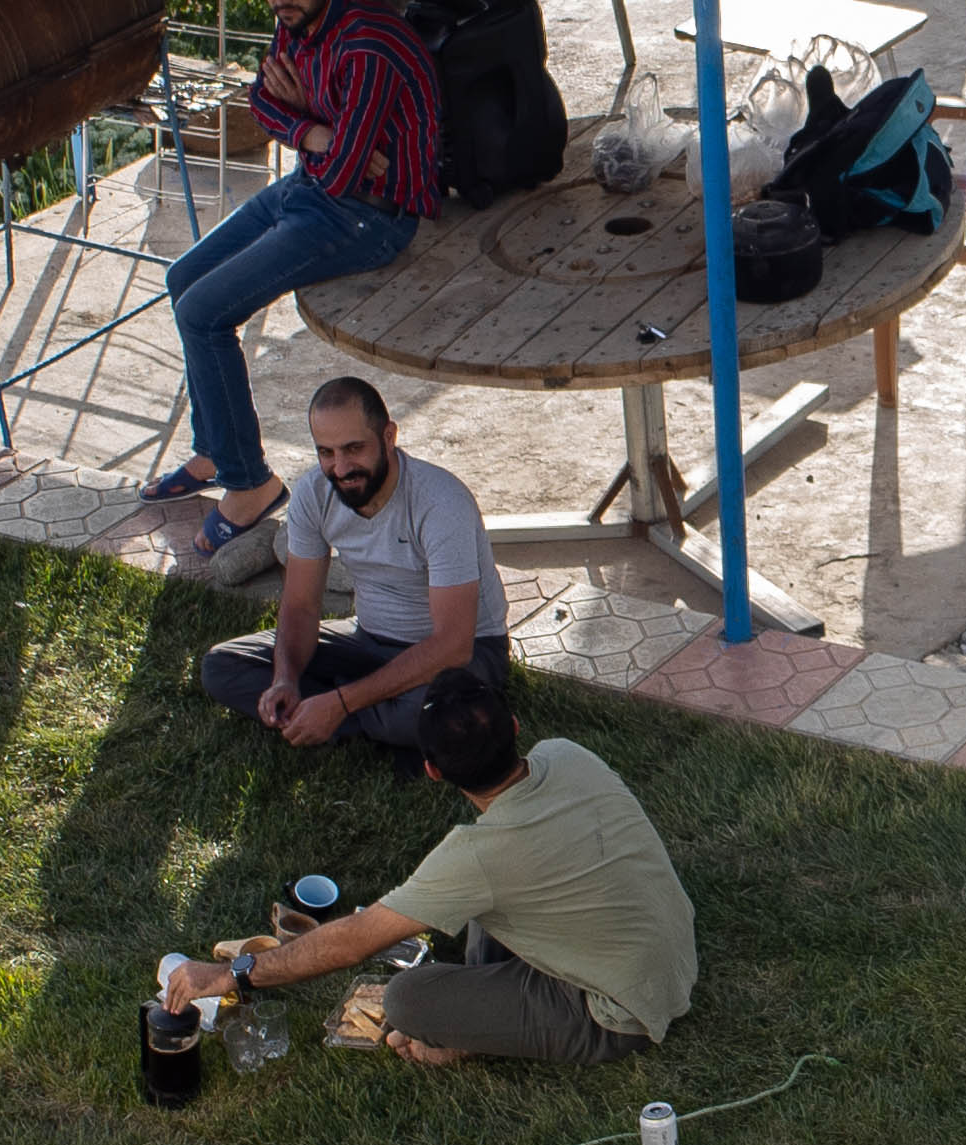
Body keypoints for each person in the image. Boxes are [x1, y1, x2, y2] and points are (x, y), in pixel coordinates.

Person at [146, 0, 439, 551]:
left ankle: (250, 484)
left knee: (204, 313)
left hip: (371, 216)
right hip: (313, 185)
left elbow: (343, 177)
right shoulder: (302, 21)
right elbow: (261, 103)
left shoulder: (368, 46)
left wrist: (309, 115)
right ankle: (213, 450)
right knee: (184, 276)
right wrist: (313, 124)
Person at [197, 687, 695, 1066]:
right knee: (482, 897)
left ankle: (468, 1034)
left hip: (618, 1013)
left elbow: (353, 942)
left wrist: (231, 973)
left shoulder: (476, 857)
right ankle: (480, 1015)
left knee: (407, 999)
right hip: (667, 954)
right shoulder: (566, 754)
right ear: (516, 726)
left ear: (432, 770)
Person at [196, 375, 514, 773]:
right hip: (368, 637)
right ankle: (373, 718)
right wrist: (285, 679)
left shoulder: (441, 503)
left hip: (467, 651)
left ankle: (344, 713)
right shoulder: (313, 493)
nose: (341, 468)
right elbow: (299, 605)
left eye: (354, 449)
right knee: (223, 665)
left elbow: (453, 645)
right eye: (325, 452)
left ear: (389, 435)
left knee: (425, 712)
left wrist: (341, 702)